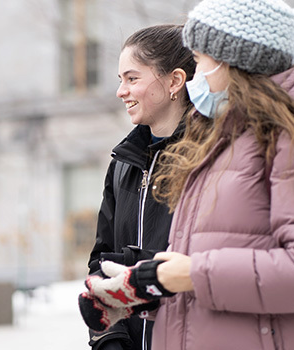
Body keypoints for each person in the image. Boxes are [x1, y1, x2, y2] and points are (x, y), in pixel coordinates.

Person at [81, 0, 294, 349]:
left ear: (232, 62)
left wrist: (179, 275)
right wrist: (141, 289)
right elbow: (219, 269)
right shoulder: (217, 144)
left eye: (199, 60)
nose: (195, 73)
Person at [85, 24, 195, 350]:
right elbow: (99, 265)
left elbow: (206, 267)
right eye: (121, 80)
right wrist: (109, 342)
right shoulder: (122, 164)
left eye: (132, 79)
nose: (121, 91)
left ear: (175, 81)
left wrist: (141, 271)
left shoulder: (210, 161)